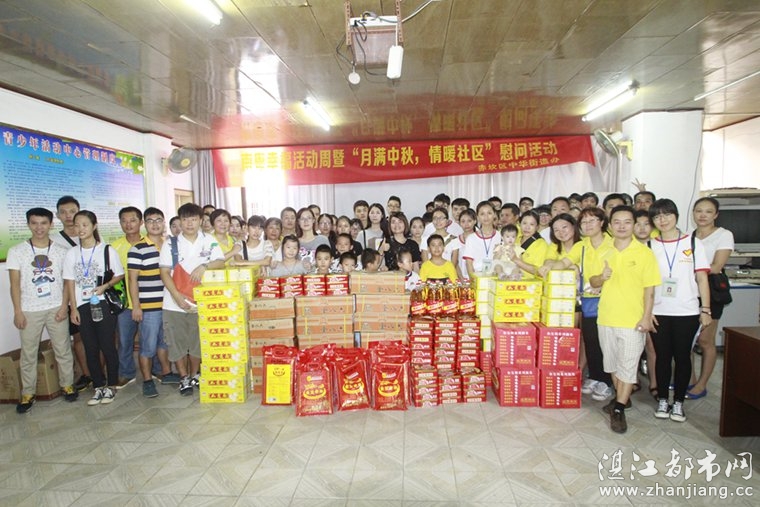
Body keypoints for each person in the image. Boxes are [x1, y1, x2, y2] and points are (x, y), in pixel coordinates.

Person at [591, 206, 661, 434]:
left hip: (632, 320)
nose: (622, 226)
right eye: (617, 222)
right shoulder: (603, 250)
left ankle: (619, 408)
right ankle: (621, 398)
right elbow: (592, 281)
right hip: (606, 317)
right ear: (610, 225)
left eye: (627, 222)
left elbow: (650, 290)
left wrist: (646, 317)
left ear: (635, 225)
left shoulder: (644, 253)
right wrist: (601, 277)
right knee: (612, 363)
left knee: (628, 366)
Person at [9, 207, 78, 413]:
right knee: (28, 353)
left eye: (43, 223)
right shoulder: (17, 251)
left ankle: (67, 385)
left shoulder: (61, 251)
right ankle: (28, 393)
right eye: (34, 223)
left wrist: (64, 307)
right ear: (28, 224)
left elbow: (67, 283)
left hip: (56, 308)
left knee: (63, 349)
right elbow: (14, 285)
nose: (39, 227)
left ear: (51, 224)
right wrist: (18, 311)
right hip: (29, 310)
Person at [649, 199, 711, 423]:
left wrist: (706, 309)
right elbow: (646, 285)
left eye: (667, 214)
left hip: (687, 311)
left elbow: (702, 279)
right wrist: (647, 311)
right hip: (658, 311)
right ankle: (663, 399)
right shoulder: (649, 246)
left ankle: (678, 403)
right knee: (662, 357)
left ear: (676, 215)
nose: (662, 220)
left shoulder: (693, 243)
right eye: (657, 216)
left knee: (683, 357)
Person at [548, 207, 615, 402]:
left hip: (611, 298)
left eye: (592, 221)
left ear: (602, 222)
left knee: (606, 342)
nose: (588, 225)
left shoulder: (613, 243)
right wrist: (550, 268)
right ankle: (595, 376)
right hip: (589, 299)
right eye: (584, 222)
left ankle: (606, 381)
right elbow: (565, 262)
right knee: (591, 340)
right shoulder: (582, 245)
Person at [159, 203, 225, 396]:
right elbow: (164, 272)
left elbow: (220, 261)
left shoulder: (209, 240)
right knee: (176, 342)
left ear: (200, 220)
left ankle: (195, 374)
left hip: (202, 301)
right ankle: (183, 378)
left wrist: (205, 266)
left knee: (198, 340)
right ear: (179, 221)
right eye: (185, 219)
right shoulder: (170, 244)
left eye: (193, 219)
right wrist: (177, 297)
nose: (189, 223)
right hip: (173, 303)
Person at [63, 210, 124, 406]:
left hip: (103, 303)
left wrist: (105, 286)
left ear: (94, 226)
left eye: (85, 225)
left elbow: (119, 274)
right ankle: (98, 386)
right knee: (90, 347)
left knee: (107, 345)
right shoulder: (72, 253)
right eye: (77, 225)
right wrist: (73, 309)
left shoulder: (106, 250)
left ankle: (111, 385)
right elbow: (70, 282)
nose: (80, 229)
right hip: (82, 305)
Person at [127, 207, 179, 398]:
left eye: (158, 220)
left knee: (164, 342)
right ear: (144, 224)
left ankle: (166, 373)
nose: (155, 224)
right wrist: (136, 306)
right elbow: (132, 280)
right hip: (148, 307)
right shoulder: (138, 249)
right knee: (147, 346)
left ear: (164, 222)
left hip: (168, 304)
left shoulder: (170, 245)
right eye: (150, 220)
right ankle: (147, 380)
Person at [687, 197, 734, 400]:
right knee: (686, 340)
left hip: (712, 291)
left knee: (705, 340)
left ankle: (702, 384)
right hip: (690, 292)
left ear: (716, 214)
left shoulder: (724, 235)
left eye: (708, 211)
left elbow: (716, 266)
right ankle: (689, 379)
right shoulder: (689, 236)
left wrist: (690, 271)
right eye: (699, 211)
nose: (703, 215)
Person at [52, 195, 92, 391]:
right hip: (70, 298)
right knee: (79, 338)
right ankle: (86, 374)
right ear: (58, 215)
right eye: (63, 212)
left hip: (93, 296)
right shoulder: (53, 241)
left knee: (102, 336)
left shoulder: (91, 235)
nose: (68, 216)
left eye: (72, 211)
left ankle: (100, 372)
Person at [111, 206, 145, 389]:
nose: (128, 224)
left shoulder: (150, 242)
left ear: (141, 222)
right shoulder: (114, 247)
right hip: (124, 303)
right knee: (124, 340)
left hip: (148, 300)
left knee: (151, 339)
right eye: (124, 221)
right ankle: (127, 373)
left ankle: (156, 370)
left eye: (132, 220)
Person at [633, 209, 658, 396]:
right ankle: (631, 380)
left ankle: (655, 383)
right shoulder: (625, 247)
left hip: (654, 302)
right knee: (632, 347)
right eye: (638, 224)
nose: (642, 228)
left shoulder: (658, 247)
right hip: (631, 303)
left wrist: (650, 310)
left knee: (651, 346)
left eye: (646, 224)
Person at [463, 201, 500, 278]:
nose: (486, 217)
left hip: (497, 278)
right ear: (477, 217)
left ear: (494, 214)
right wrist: (474, 281)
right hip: (478, 278)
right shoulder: (471, 238)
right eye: (482, 214)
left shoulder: (500, 236)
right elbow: (469, 263)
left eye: (489, 213)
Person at [511, 210, 549, 280]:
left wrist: (516, 260)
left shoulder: (541, 244)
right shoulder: (515, 240)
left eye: (531, 224)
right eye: (524, 223)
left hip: (530, 283)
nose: (527, 227)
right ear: (519, 224)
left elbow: (538, 271)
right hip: (512, 281)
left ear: (537, 227)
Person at [452, 208, 477, 280]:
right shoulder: (456, 241)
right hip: (461, 278)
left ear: (475, 221)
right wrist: (461, 278)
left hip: (477, 277)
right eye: (463, 221)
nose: (466, 224)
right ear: (459, 223)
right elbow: (455, 263)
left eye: (469, 221)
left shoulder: (480, 239)